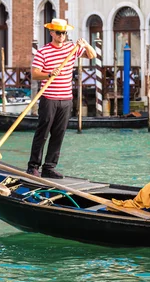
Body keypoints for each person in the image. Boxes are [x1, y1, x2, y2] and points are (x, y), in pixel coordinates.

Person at [26, 18, 97, 179]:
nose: (62, 35)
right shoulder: (43, 51)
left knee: (59, 134)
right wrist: (49, 74)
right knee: (43, 133)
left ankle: (49, 167)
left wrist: (85, 44)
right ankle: (33, 166)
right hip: (49, 98)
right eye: (59, 32)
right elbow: (35, 73)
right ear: (52, 33)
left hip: (66, 99)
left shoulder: (72, 49)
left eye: (64, 32)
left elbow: (92, 55)